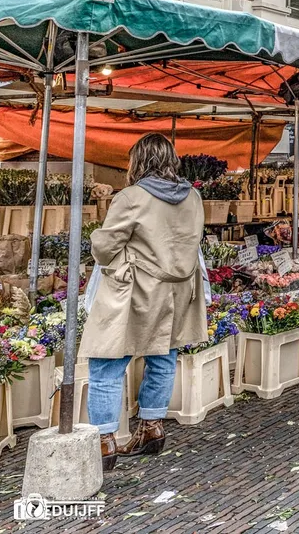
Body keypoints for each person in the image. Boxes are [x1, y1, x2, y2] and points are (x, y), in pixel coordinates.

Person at [81, 133, 207, 470]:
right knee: (163, 356)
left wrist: (99, 241)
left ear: (139, 161)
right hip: (178, 290)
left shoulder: (131, 197)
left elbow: (106, 246)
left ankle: (105, 442)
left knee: (106, 363)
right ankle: (151, 428)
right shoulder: (192, 196)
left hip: (134, 290)